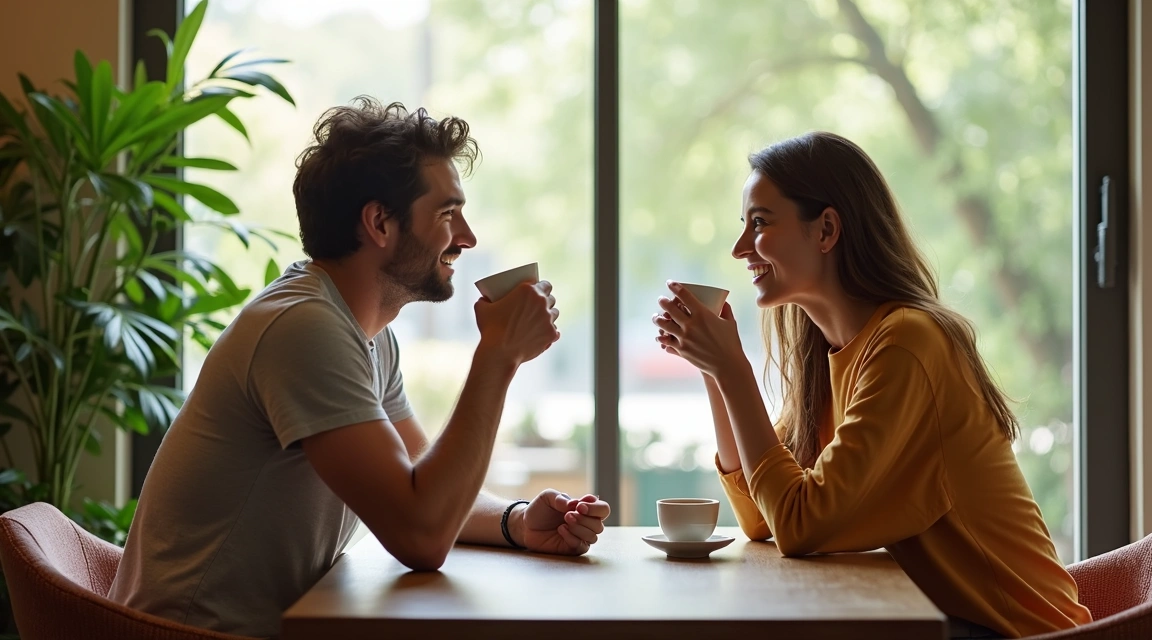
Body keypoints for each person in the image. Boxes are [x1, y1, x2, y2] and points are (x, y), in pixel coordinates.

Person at [110, 97, 611, 638]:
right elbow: (420, 535)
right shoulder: (304, 329)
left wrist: (516, 523)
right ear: (379, 223)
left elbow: (422, 484)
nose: (467, 238)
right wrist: (499, 356)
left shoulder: (366, 334)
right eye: (447, 214)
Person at [651, 131, 1091, 639]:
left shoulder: (908, 343)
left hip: (1013, 633)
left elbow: (799, 526)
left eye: (760, 223)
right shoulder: (832, 354)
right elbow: (763, 518)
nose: (739, 248)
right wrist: (714, 372)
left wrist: (734, 371)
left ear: (826, 230)